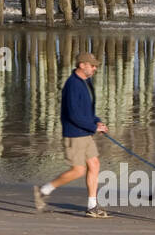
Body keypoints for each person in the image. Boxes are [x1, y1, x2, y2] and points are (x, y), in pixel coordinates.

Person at [34, 52, 109, 217]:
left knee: (94, 164)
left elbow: (86, 111)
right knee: (78, 170)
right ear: (82, 65)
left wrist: (96, 122)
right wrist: (93, 127)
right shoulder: (72, 85)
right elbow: (74, 115)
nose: (95, 68)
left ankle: (92, 206)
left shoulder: (85, 82)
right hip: (74, 134)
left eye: (95, 65)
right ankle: (44, 190)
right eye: (92, 65)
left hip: (85, 132)